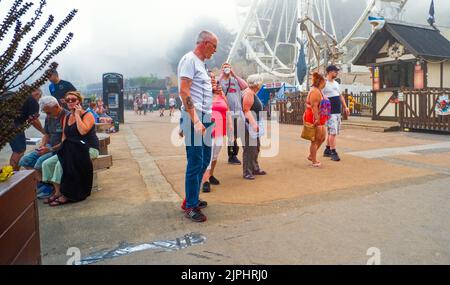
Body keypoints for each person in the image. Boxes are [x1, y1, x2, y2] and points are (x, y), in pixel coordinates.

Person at [178, 30, 218, 223]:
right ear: (204, 43)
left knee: (204, 161)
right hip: (196, 116)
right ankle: (190, 206)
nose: (215, 51)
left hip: (206, 116)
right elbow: (184, 90)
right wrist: (192, 120)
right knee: (195, 162)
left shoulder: (201, 64)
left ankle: (191, 197)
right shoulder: (190, 60)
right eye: (214, 46)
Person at [41, 91, 99, 206]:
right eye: (68, 100)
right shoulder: (67, 117)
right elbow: (64, 138)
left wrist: (77, 115)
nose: (70, 102)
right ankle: (57, 192)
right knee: (47, 164)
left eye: (73, 99)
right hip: (71, 148)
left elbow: (83, 131)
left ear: (79, 101)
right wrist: (55, 149)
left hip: (88, 149)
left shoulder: (87, 115)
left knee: (60, 164)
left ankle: (66, 194)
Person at [19, 96, 68, 198]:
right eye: (45, 113)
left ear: (56, 106)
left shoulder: (66, 117)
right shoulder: (49, 117)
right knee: (24, 160)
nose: (47, 115)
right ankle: (45, 185)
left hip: (61, 148)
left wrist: (49, 149)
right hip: (49, 145)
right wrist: (42, 145)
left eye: (48, 112)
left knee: (39, 163)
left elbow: (65, 141)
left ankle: (50, 187)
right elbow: (46, 134)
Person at [201, 82, 232, 192]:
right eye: (213, 82)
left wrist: (230, 125)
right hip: (209, 129)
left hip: (220, 129)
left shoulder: (222, 96)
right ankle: (205, 181)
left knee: (215, 155)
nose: (216, 85)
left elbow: (227, 110)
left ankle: (210, 175)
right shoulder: (204, 96)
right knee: (208, 156)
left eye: (217, 83)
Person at [8, 88, 46, 171]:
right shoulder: (32, 100)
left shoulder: (11, 94)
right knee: (19, 151)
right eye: (39, 98)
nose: (38, 100)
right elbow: (34, 120)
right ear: (37, 94)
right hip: (13, 125)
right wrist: (43, 131)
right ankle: (14, 176)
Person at [219, 63, 248, 165]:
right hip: (228, 113)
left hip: (239, 112)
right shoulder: (220, 81)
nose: (226, 69)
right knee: (232, 135)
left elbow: (245, 85)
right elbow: (214, 86)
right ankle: (232, 155)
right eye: (224, 67)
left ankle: (239, 154)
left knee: (241, 134)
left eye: (228, 67)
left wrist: (234, 74)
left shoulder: (235, 80)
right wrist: (222, 74)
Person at [323, 65, 350, 162]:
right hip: (329, 112)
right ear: (329, 72)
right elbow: (318, 95)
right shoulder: (324, 84)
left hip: (337, 111)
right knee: (333, 132)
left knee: (333, 132)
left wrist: (345, 107)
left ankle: (327, 149)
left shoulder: (336, 83)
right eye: (335, 71)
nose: (336, 73)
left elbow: (340, 96)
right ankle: (333, 152)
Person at [304, 72, 331, 168]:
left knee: (322, 138)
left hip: (320, 117)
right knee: (315, 139)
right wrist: (317, 118)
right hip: (314, 117)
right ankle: (314, 160)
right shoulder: (315, 91)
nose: (326, 83)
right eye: (325, 81)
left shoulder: (319, 91)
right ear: (321, 81)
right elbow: (314, 106)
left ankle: (312, 155)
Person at [242, 77, 267, 180]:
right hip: (248, 125)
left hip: (254, 123)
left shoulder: (251, 92)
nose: (261, 85)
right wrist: (253, 124)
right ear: (256, 84)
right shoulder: (248, 93)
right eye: (260, 83)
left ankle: (254, 168)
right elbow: (246, 110)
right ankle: (247, 171)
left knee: (255, 147)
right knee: (249, 149)